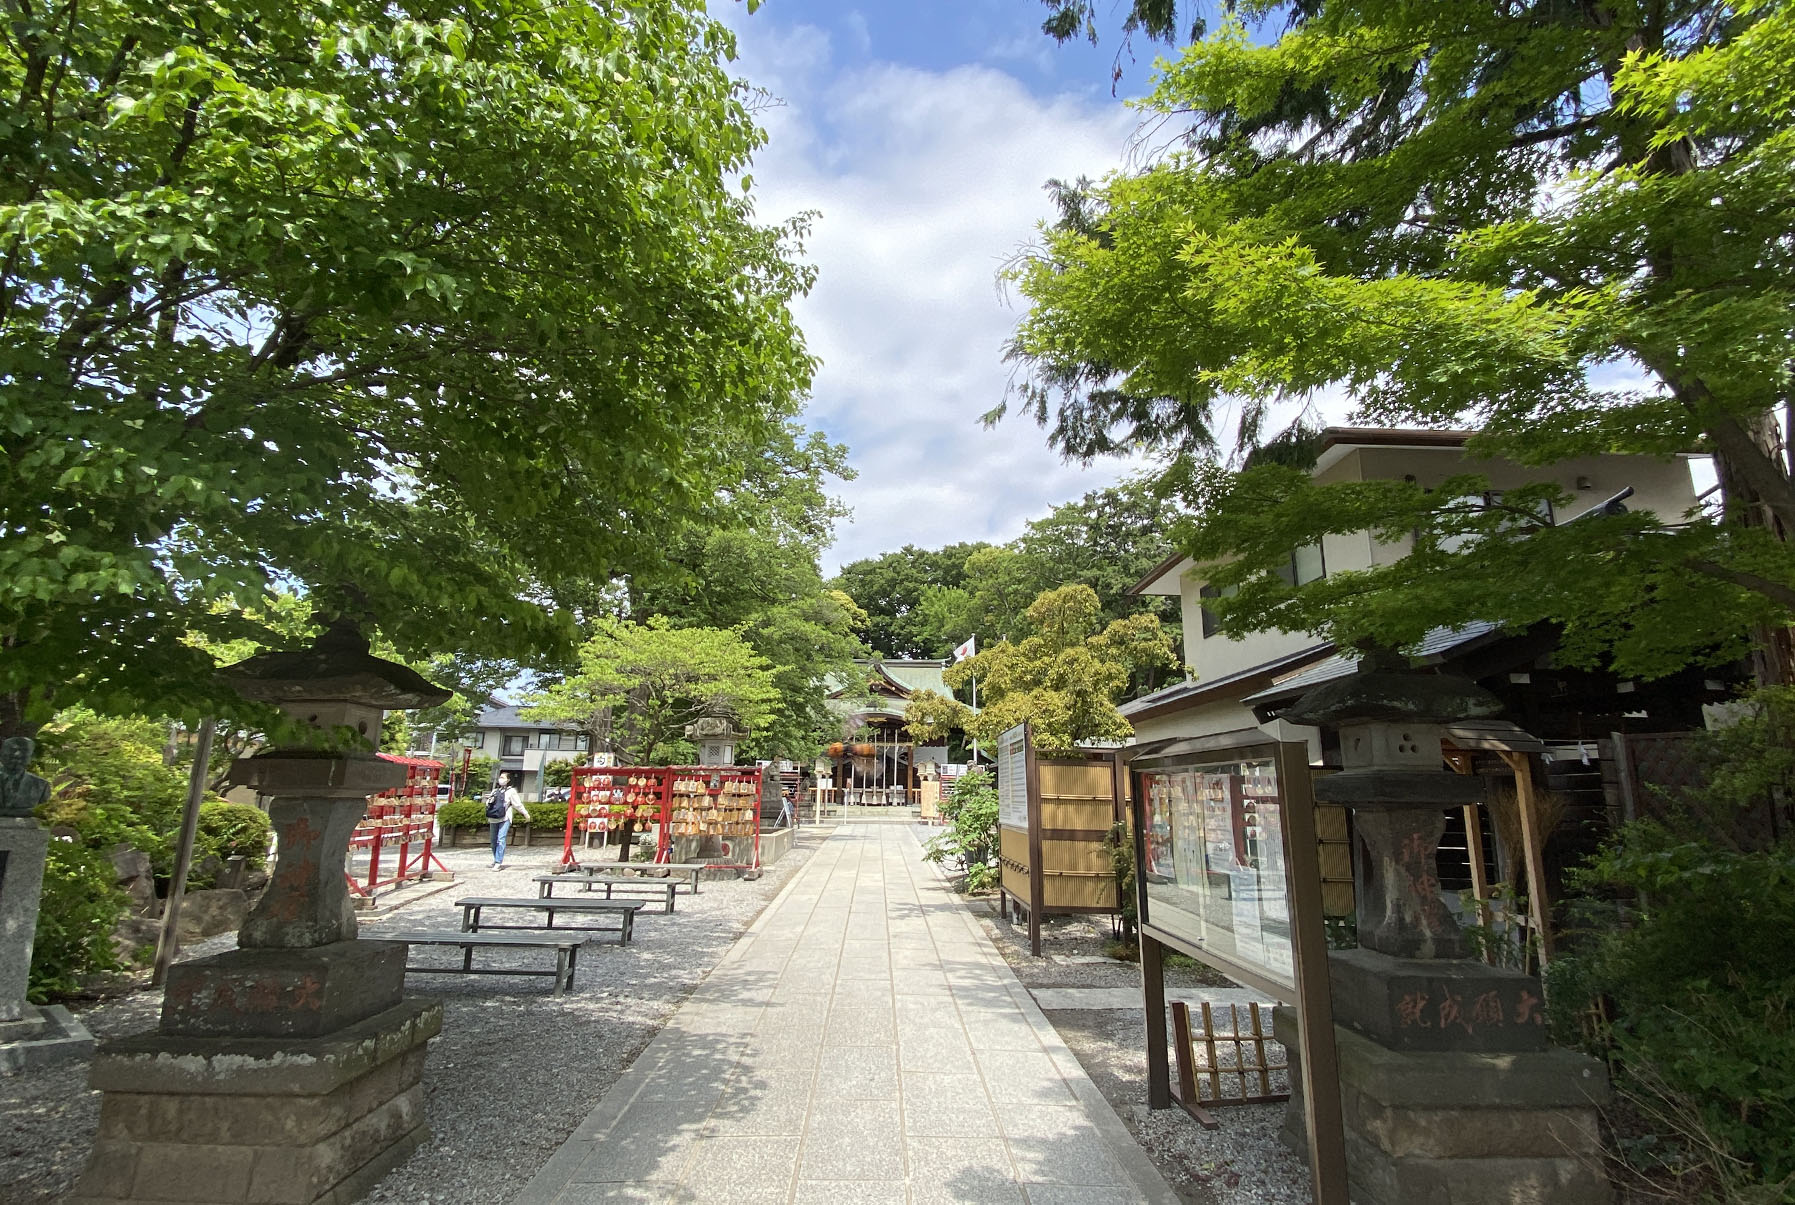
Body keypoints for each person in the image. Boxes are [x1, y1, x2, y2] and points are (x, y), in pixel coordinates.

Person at [486, 772, 530, 870]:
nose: (501, 779)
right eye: (500, 777)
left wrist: (525, 813)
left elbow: (517, 804)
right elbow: (488, 804)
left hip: (505, 818)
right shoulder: (495, 791)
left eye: (503, 777)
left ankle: (498, 861)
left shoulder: (511, 791)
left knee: (501, 839)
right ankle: (495, 858)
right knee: (493, 841)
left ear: (508, 780)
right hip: (493, 818)